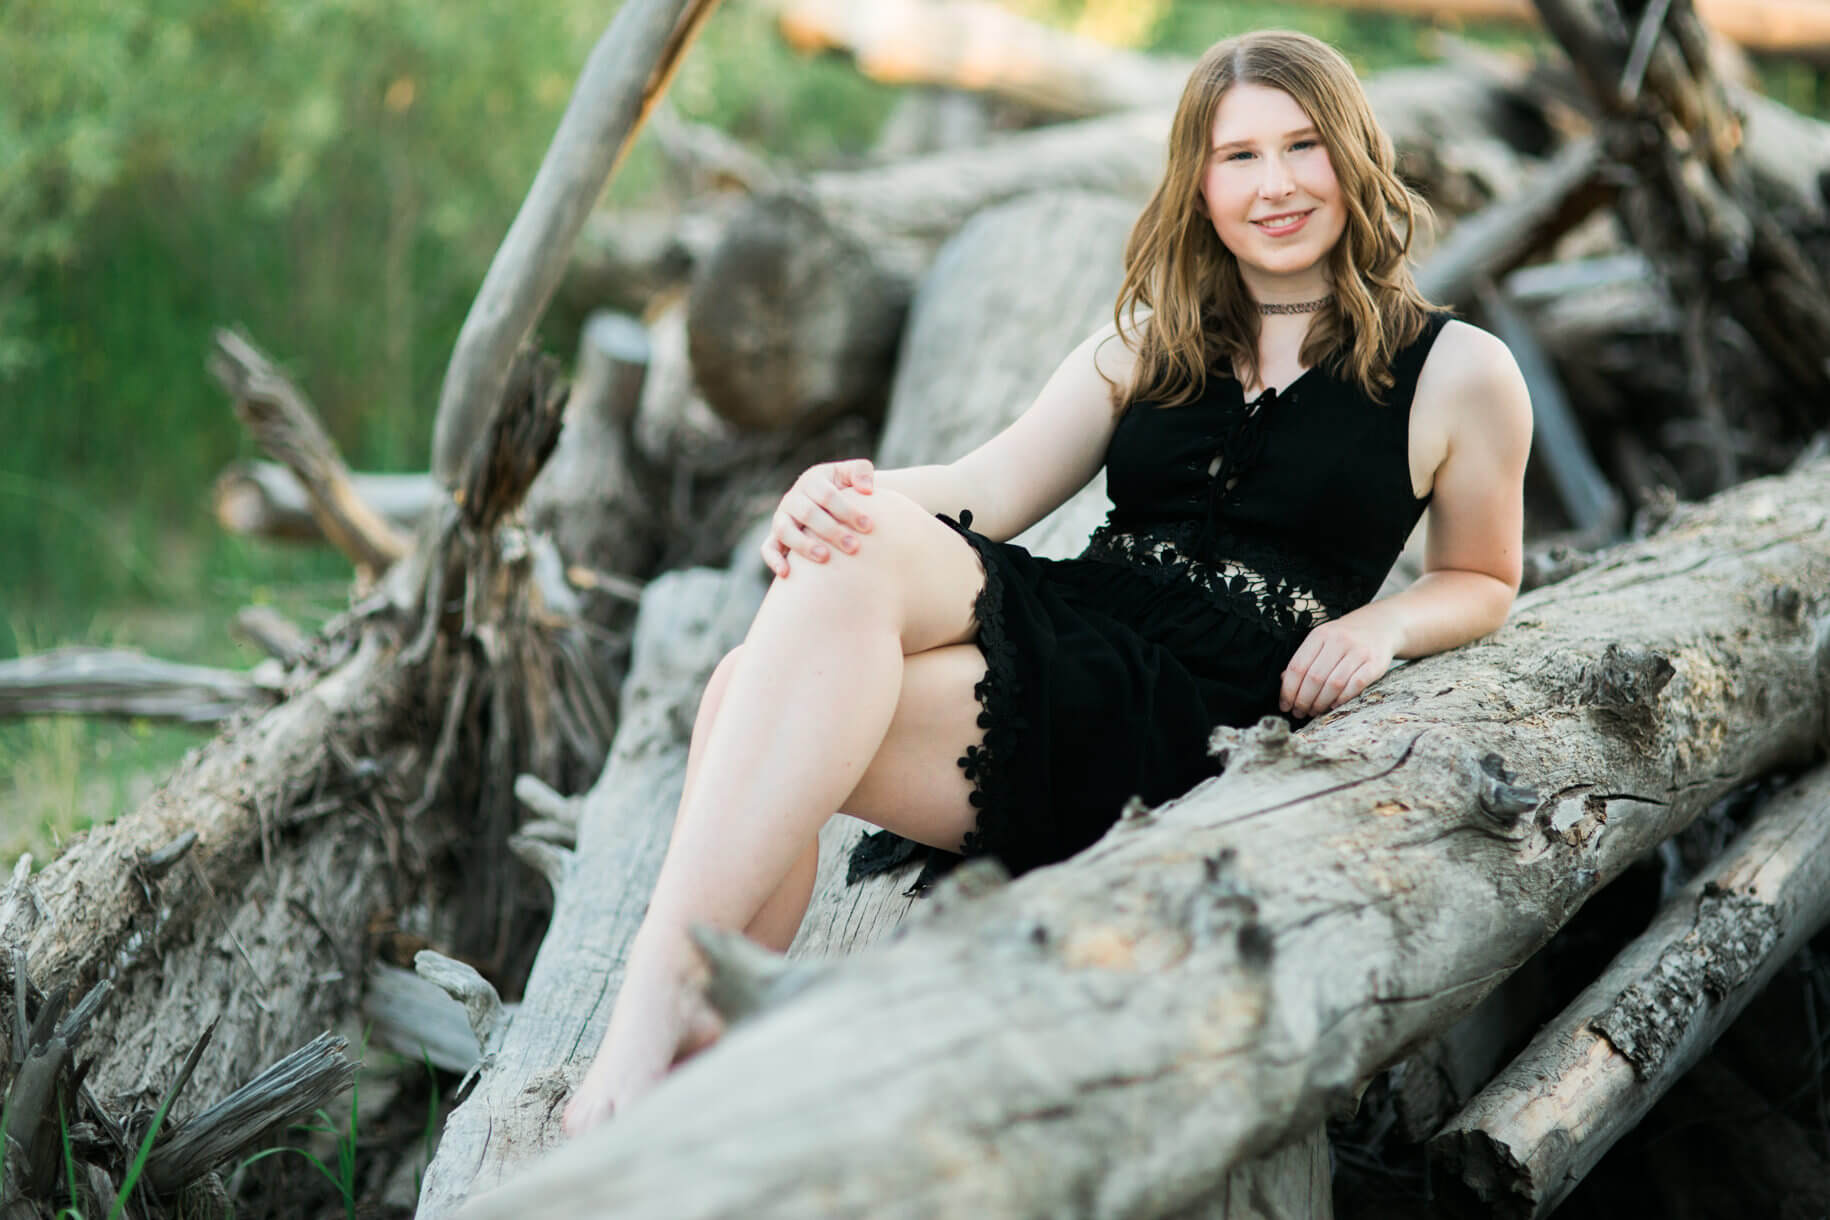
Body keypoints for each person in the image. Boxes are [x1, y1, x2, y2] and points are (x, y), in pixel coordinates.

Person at [561, 27, 1531, 1135]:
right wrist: (830, 496)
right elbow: (988, 486)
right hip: (1081, 633)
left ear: (1355, 157)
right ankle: (701, 1039)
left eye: (1302, 146)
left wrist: (1390, 623)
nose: (1275, 185)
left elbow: (1484, 575)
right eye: (1239, 157)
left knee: (764, 681)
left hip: (1199, 712)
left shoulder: (1459, 371)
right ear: (1200, 184)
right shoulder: (1152, 337)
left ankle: (647, 1022)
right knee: (772, 655)